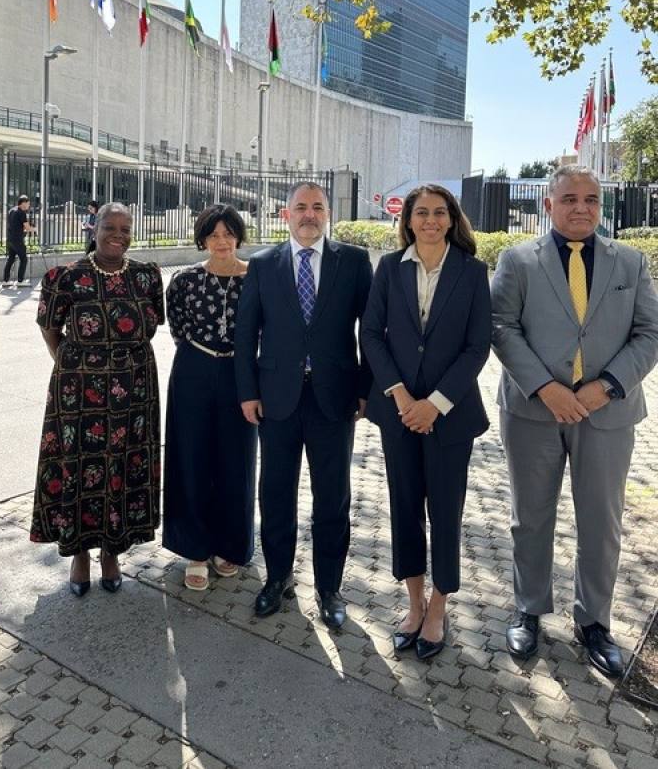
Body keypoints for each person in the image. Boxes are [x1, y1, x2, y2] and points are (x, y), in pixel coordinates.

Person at [492, 165, 658, 676]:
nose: (581, 207)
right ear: (548, 204)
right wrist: (546, 387)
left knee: (601, 522)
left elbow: (650, 333)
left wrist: (604, 386)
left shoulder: (631, 262)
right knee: (531, 517)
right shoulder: (517, 260)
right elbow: (501, 325)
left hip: (606, 413)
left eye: (590, 198)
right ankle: (530, 608)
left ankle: (594, 623)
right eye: (569, 198)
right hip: (533, 411)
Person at [234, 181, 373, 629]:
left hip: (334, 398)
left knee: (332, 497)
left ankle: (330, 588)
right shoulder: (262, 265)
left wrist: (366, 389)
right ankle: (277, 579)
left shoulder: (352, 262)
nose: (309, 214)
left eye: (317, 207)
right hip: (276, 399)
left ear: (327, 213)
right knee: (275, 493)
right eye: (301, 207)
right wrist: (247, 391)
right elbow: (245, 335)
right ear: (285, 214)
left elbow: (370, 333)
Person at [361, 185, 491, 660]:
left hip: (449, 417)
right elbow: (372, 334)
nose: (431, 220)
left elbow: (477, 347)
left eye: (440, 212)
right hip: (398, 413)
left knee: (445, 514)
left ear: (452, 219)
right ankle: (413, 604)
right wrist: (400, 394)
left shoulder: (474, 272)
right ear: (409, 221)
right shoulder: (389, 269)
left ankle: (439, 606)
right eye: (422, 213)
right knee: (405, 510)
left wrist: (434, 403)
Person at [30, 202, 165, 596]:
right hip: (79, 389)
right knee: (81, 462)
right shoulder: (65, 277)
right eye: (110, 226)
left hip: (135, 387)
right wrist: (74, 365)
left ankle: (112, 550)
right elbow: (50, 328)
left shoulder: (147, 276)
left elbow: (152, 325)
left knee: (123, 463)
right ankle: (80, 554)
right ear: (95, 227)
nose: (118, 234)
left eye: (125, 228)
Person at [163, 205, 257, 591]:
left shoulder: (257, 278)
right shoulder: (184, 281)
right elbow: (178, 328)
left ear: (238, 236)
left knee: (236, 461)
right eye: (214, 234)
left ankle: (229, 544)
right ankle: (196, 550)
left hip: (241, 374)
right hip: (194, 370)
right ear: (202, 238)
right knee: (192, 458)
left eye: (229, 233)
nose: (222, 241)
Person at [3, 194, 35, 288]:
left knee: (11, 259)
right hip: (18, 240)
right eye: (28, 204)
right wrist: (34, 229)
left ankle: (6, 280)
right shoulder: (21, 213)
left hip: (10, 239)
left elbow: (15, 225)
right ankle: (20, 281)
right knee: (24, 259)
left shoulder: (11, 210)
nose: (28, 206)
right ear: (23, 203)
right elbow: (28, 228)